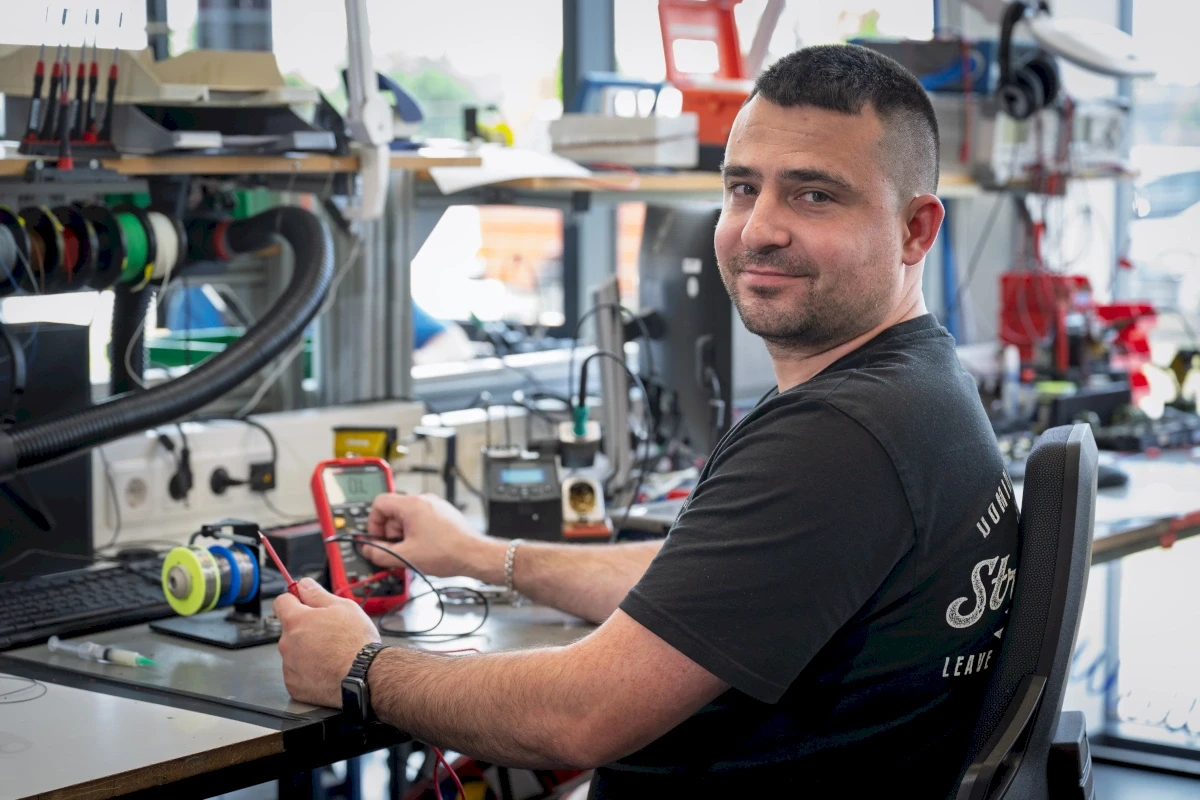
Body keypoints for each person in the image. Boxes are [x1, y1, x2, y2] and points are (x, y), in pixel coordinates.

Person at [275, 44, 1019, 797]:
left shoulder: (839, 438)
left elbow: (577, 716)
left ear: (916, 230)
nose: (757, 229)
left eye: (813, 196)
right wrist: (481, 556)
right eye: (741, 188)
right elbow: (701, 584)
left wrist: (361, 668)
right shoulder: (916, 384)